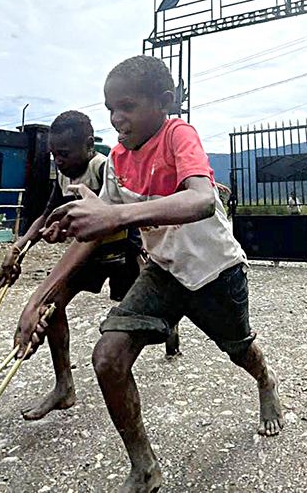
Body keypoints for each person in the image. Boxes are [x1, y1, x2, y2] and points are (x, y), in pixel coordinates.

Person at [15, 55, 283, 493]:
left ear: (164, 102)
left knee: (238, 349)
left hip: (215, 271)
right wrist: (39, 297)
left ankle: (265, 380)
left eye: (127, 106)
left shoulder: (180, 135)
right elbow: (92, 233)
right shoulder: (118, 158)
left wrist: (116, 215)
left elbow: (200, 201)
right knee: (108, 357)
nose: (117, 119)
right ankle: (144, 468)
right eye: (110, 110)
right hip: (164, 273)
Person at [0, 110, 180, 421]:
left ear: (88, 145)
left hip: (122, 250)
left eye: (64, 154)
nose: (58, 160)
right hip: (87, 255)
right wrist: (20, 246)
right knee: (53, 303)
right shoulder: (63, 174)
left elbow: (101, 223)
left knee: (147, 313)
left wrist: (68, 228)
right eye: (53, 154)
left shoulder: (105, 167)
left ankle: (172, 329)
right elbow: (48, 213)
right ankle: (64, 386)